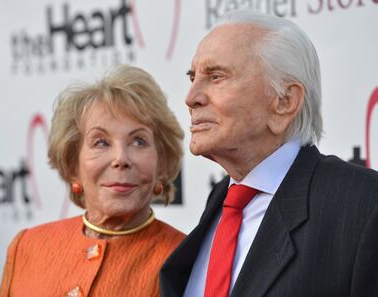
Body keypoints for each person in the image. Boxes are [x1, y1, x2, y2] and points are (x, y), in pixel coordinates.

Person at [160, 9, 378, 297]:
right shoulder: (222, 199)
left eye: (216, 76)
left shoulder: (364, 205)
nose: (191, 98)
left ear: (284, 101)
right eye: (193, 78)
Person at [0, 64, 185, 297]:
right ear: (73, 165)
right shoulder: (27, 246)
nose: (120, 158)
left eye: (138, 141)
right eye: (101, 142)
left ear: (162, 164)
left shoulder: (186, 260)